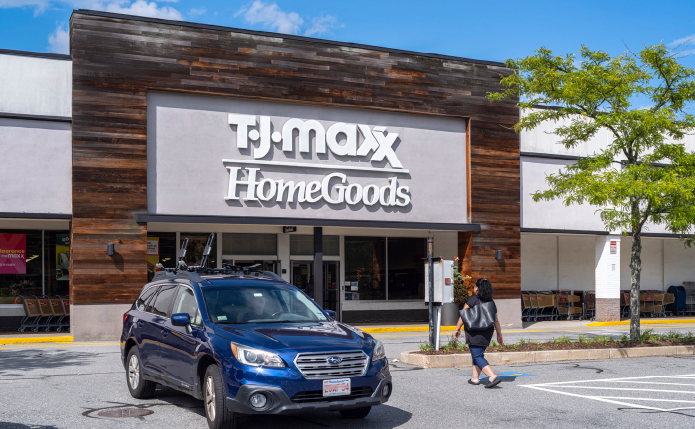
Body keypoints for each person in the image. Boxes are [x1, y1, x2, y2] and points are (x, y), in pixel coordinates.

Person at [454, 278, 504, 388]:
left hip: (474, 332)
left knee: (477, 355)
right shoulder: (491, 302)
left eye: (475, 286)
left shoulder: (472, 299)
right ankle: (475, 378)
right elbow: (496, 320)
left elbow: (463, 316)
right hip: (487, 332)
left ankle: (491, 376)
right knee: (477, 354)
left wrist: (457, 329)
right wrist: (499, 334)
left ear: (477, 288)